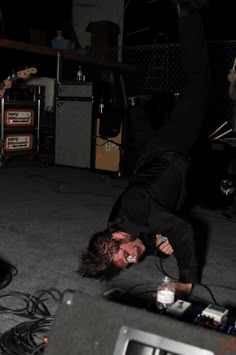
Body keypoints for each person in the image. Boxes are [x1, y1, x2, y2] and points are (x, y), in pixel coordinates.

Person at [79, 0, 211, 298]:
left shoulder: (137, 210)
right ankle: (137, 107)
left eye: (125, 256)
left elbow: (183, 231)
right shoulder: (123, 225)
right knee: (144, 141)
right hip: (153, 158)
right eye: (127, 265)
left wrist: (186, 280)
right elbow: (152, 241)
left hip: (172, 147)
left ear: (116, 237)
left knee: (198, 80)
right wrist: (163, 244)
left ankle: (187, 12)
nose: (134, 260)